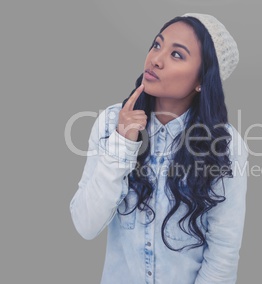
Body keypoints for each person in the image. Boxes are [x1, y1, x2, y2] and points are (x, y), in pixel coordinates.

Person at [70, 12, 248, 284]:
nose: (155, 59)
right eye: (157, 45)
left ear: (202, 80)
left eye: (177, 55)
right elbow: (86, 225)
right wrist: (123, 142)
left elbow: (223, 253)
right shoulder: (111, 123)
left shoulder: (226, 145)